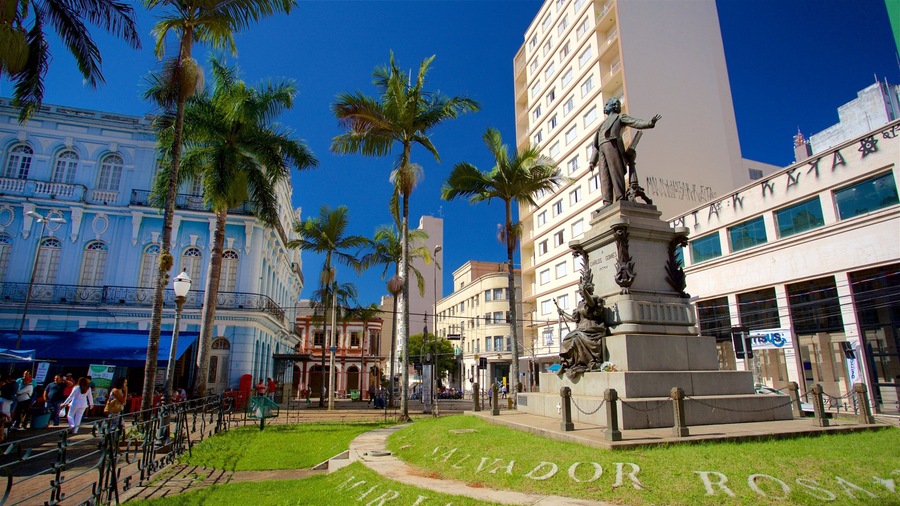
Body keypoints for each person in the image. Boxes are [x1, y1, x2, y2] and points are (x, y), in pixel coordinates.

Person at [589, 97, 661, 206]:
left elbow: (635, 122)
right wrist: (592, 161)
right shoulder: (602, 125)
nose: (605, 107)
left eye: (607, 104)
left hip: (612, 145)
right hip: (602, 149)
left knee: (615, 172)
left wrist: (649, 123)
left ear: (613, 106)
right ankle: (607, 202)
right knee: (604, 176)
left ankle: (620, 198)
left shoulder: (619, 117)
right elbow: (596, 146)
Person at [557, 249, 609, 380]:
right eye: (580, 291)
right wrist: (563, 313)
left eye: (583, 290)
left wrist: (585, 291)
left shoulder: (594, 300)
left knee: (576, 336)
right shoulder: (580, 304)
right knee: (569, 338)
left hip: (593, 329)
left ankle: (588, 361)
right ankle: (568, 363)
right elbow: (574, 318)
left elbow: (591, 305)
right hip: (582, 329)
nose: (581, 293)